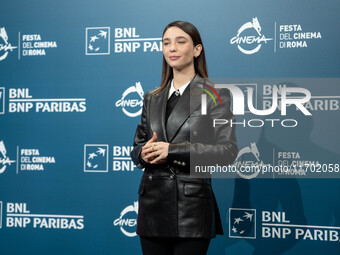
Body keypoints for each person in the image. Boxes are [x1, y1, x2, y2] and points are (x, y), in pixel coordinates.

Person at [131, 20, 238, 255]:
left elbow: (227, 151)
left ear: (197, 50)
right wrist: (143, 153)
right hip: (152, 208)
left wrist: (172, 150)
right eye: (166, 43)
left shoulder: (216, 94)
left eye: (181, 42)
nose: (172, 48)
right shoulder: (152, 97)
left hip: (190, 210)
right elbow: (137, 147)